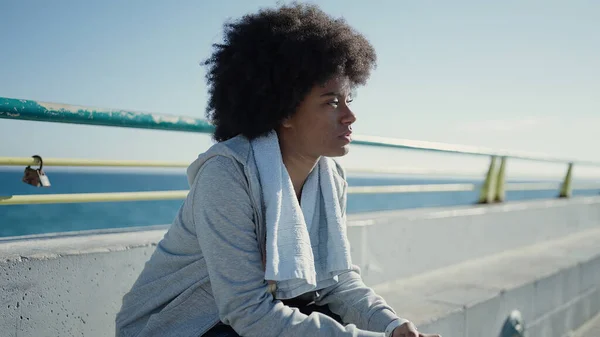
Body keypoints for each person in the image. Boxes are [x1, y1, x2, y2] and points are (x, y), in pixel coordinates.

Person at [115, 3, 440, 337]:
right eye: (331, 102)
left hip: (242, 318)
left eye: (348, 100)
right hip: (180, 327)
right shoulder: (227, 173)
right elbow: (248, 312)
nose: (349, 116)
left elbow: (338, 280)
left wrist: (392, 325)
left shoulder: (331, 178)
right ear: (283, 111)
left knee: (331, 316)